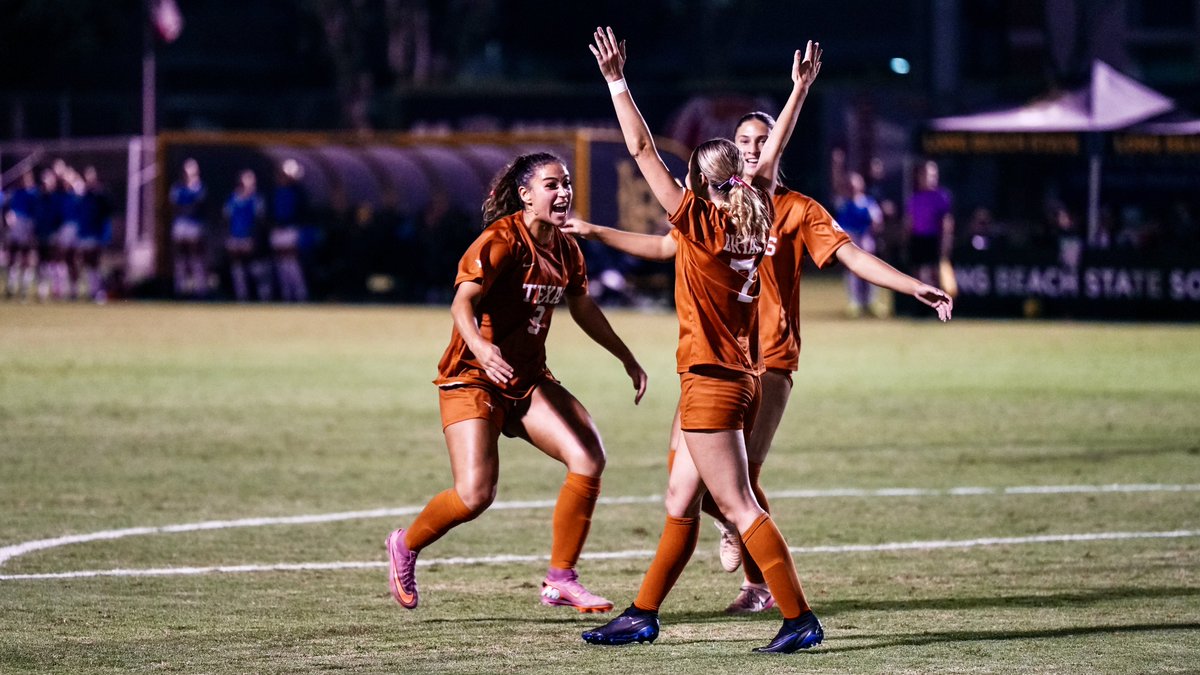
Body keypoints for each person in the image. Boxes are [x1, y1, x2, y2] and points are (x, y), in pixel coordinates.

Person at [568, 107, 953, 623]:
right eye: (744, 139)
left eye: (762, 140)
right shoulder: (742, 220)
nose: (753, 147)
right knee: (685, 488)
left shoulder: (743, 216)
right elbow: (666, 245)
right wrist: (594, 231)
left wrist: (799, 91)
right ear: (733, 156)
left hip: (750, 363)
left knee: (734, 490)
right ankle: (648, 611)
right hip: (733, 365)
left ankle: (773, 604)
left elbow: (644, 152)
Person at [577, 27, 828, 654]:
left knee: (741, 508)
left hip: (712, 382)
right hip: (733, 377)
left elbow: (638, 147)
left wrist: (616, 80)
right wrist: (798, 92)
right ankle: (642, 613)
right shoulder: (756, 210)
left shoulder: (698, 221)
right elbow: (768, 164)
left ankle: (799, 618)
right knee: (679, 500)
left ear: (695, 179)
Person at [384, 151, 649, 615]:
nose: (563, 192)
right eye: (551, 185)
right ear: (526, 196)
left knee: (588, 458)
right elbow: (462, 303)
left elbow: (583, 307)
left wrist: (626, 357)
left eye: (565, 183)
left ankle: (561, 579)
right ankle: (405, 545)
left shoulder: (566, 248)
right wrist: (482, 350)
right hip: (473, 378)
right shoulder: (502, 239)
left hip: (526, 379)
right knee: (474, 495)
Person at [834, 171, 884, 317]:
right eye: (849, 185)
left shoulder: (868, 202)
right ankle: (854, 302)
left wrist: (871, 231)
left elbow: (877, 221)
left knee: (870, 272)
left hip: (865, 240)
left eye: (854, 184)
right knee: (852, 273)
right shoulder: (843, 202)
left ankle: (871, 302)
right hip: (849, 242)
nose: (852, 188)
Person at [905, 159, 954, 288]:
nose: (930, 178)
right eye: (927, 175)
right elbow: (910, 222)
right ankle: (920, 304)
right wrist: (907, 240)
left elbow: (946, 222)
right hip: (918, 239)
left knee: (934, 273)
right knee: (917, 273)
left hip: (934, 239)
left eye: (933, 175)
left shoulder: (942, 197)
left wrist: (945, 242)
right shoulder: (914, 198)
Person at [270, 159, 309, 302]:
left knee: (291, 261)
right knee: (281, 263)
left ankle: (300, 293)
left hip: (290, 229)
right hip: (278, 230)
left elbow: (300, 212)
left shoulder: (298, 192)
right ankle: (286, 294)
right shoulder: (277, 191)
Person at [169, 158, 209, 298]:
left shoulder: (199, 187)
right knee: (181, 256)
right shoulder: (178, 187)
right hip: (181, 224)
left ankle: (200, 289)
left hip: (195, 224)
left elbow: (199, 204)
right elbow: (175, 205)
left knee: (196, 256)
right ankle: (180, 288)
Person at [223, 170, 265, 302]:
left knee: (254, 267)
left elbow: (260, 220)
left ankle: (262, 296)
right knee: (237, 267)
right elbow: (226, 216)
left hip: (250, 237)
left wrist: (255, 237)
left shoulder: (256, 199)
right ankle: (242, 296)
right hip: (236, 236)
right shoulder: (233, 198)